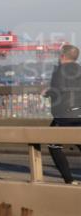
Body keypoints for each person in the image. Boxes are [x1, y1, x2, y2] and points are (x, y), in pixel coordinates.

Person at [44, 44, 81, 185]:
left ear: (62, 56)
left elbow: (58, 90)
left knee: (54, 144)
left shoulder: (59, 70)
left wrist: (47, 92)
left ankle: (69, 179)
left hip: (65, 114)